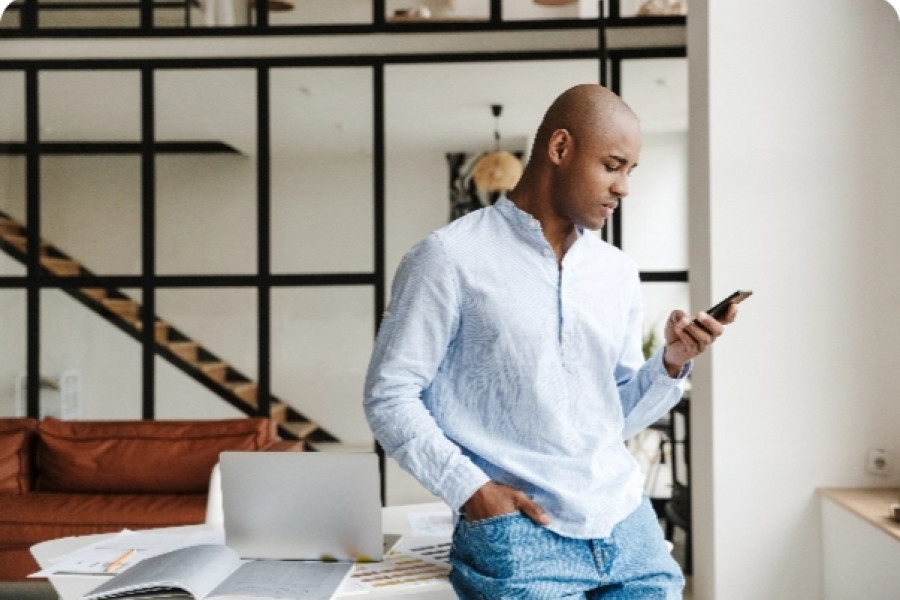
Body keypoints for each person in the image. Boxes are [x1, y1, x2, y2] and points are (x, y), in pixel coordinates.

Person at [363, 83, 737, 599]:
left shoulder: (618, 273)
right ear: (560, 149)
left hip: (628, 525)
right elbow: (390, 395)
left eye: (631, 171)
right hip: (519, 533)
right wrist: (472, 491)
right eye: (612, 165)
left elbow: (612, 416)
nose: (624, 187)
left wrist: (672, 362)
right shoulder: (447, 259)